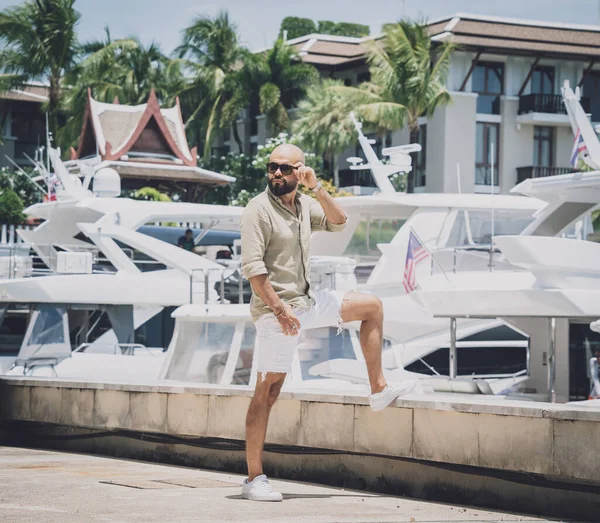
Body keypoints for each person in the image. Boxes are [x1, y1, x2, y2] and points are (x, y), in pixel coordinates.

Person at [239, 143, 421, 502]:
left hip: (306, 303)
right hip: (276, 310)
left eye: (286, 168)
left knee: (371, 306)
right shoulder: (257, 210)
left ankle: (378, 389)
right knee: (268, 392)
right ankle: (253, 479)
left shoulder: (304, 205)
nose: (277, 173)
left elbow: (339, 221)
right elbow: (254, 271)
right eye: (272, 167)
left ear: (299, 171)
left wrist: (317, 188)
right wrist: (279, 310)